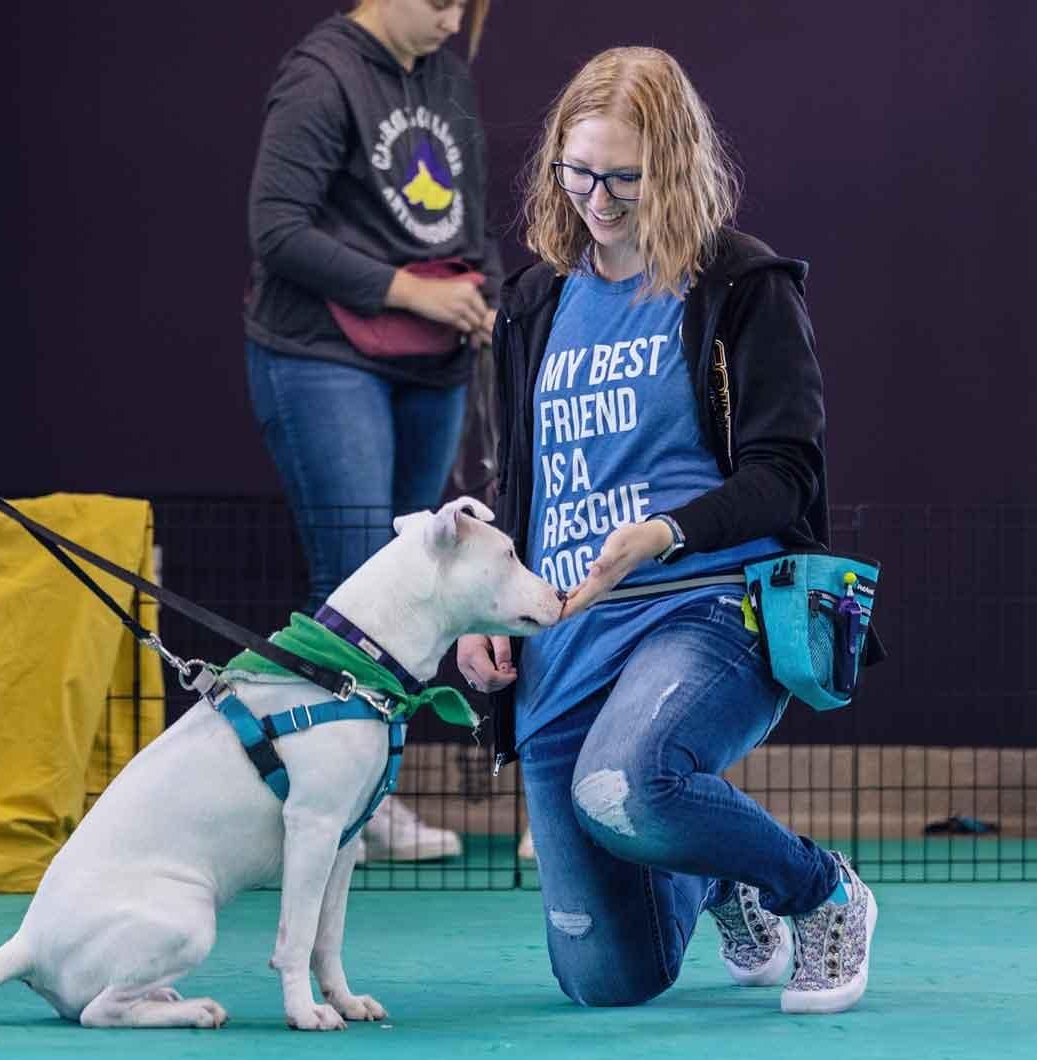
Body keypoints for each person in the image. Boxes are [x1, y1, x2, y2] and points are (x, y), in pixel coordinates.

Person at [456, 46, 878, 1014]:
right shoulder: (535, 300)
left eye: (624, 177)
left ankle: (820, 891)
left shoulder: (740, 283)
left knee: (629, 781)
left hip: (705, 606)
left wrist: (667, 531)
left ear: (676, 166)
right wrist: (487, 604)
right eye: (578, 171)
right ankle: (719, 873)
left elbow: (787, 477)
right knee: (604, 980)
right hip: (563, 630)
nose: (596, 199)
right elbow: (518, 480)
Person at [243, 0, 500, 863]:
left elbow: (468, 218)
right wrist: (414, 292)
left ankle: (370, 791)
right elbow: (277, 230)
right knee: (350, 577)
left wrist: (485, 298)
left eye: (464, 4)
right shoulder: (321, 76)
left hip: (431, 365)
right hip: (320, 351)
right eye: (438, 1)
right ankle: (331, 802)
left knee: (414, 588)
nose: (452, 16)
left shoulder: (447, 75)